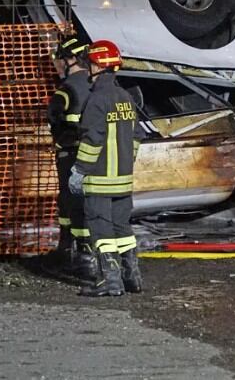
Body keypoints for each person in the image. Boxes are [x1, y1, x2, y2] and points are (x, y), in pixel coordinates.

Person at [69, 40, 144, 297]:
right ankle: (132, 278)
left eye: (90, 63)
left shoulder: (97, 99)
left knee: (101, 229)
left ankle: (110, 281)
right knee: (122, 228)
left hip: (99, 179)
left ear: (98, 66)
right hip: (123, 180)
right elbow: (137, 136)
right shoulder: (126, 97)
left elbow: (92, 139)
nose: (87, 68)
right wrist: (126, 162)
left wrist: (79, 170)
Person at [46, 36, 96, 279]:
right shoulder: (96, 85)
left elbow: (55, 120)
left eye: (58, 59)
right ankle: (82, 254)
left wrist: (60, 140)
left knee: (70, 202)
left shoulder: (66, 90)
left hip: (71, 155)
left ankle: (74, 255)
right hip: (98, 155)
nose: (55, 65)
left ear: (71, 59)